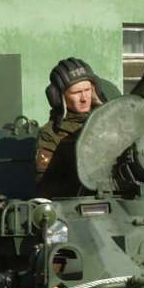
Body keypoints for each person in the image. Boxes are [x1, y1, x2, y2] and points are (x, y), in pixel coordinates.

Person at [35, 58, 103, 195]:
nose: (84, 98)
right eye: (76, 93)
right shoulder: (51, 134)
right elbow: (45, 185)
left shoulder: (106, 120)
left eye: (88, 90)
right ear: (59, 97)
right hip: (80, 202)